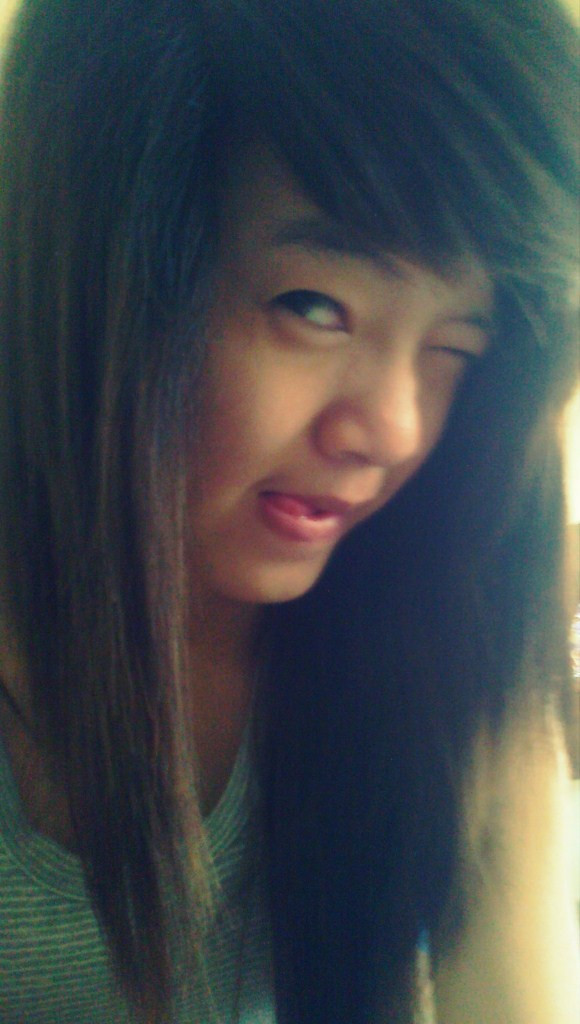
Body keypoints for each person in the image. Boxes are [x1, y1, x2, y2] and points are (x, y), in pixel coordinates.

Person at [0, 1, 578, 1022]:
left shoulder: (446, 633)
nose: (394, 429)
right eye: (314, 307)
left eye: (456, 344)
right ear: (93, 269)